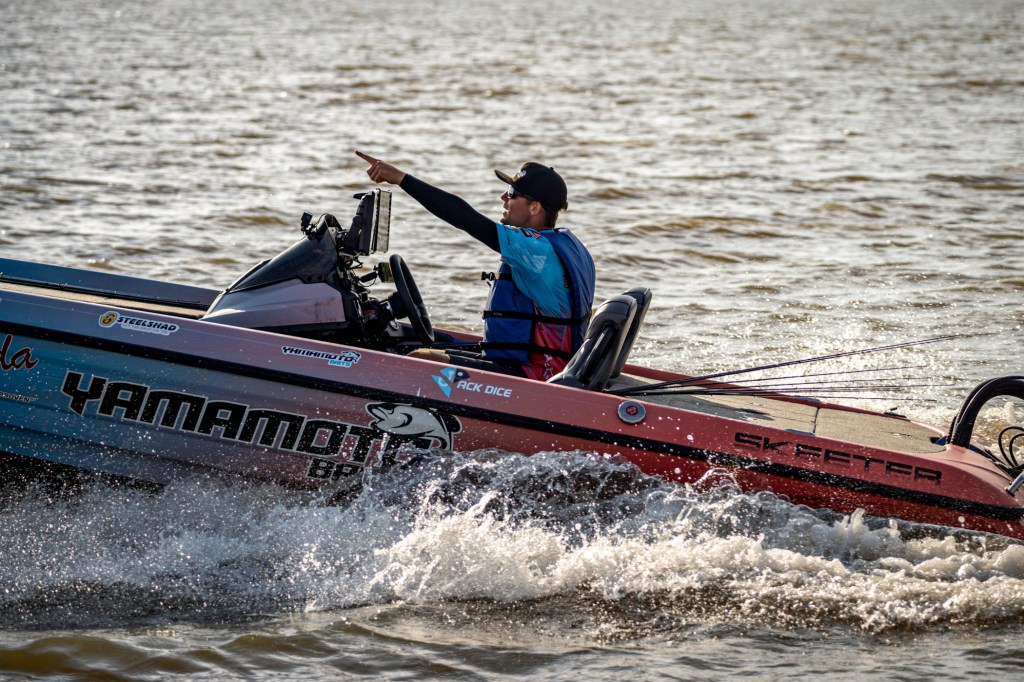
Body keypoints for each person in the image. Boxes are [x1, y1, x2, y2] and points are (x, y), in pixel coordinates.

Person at [355, 150, 596, 381]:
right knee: (424, 343)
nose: (503, 198)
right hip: (549, 367)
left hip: (535, 374)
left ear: (535, 208)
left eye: (512, 193)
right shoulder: (570, 245)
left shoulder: (536, 251)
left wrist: (402, 179)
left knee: (420, 360)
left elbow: (464, 217)